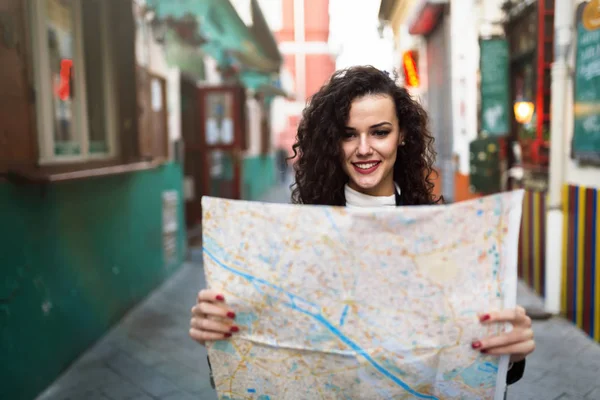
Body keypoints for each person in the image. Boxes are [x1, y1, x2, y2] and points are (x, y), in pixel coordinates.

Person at [189, 66, 534, 387]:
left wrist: (512, 354)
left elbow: (472, 361)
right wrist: (219, 339)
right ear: (331, 143)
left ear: (402, 135)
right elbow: (259, 360)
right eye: (348, 135)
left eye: (380, 132)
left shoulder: (444, 238)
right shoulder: (296, 241)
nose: (364, 149)